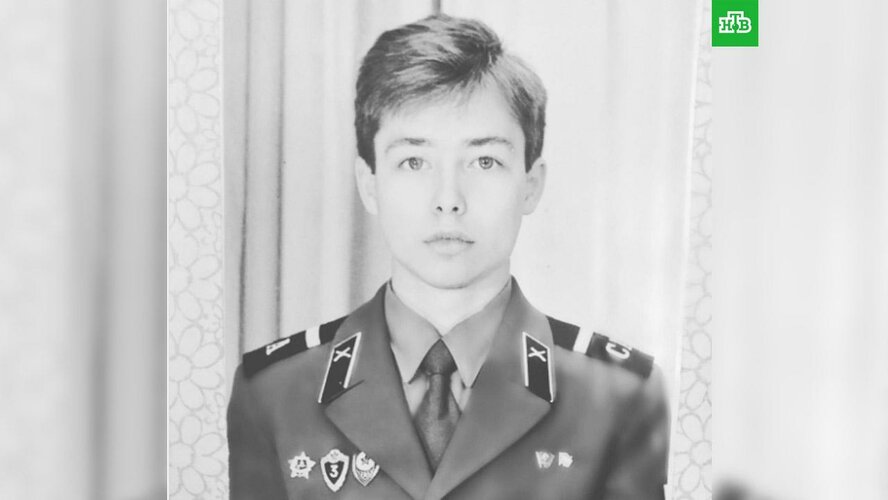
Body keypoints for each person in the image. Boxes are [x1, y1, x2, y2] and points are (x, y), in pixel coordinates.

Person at [228, 14, 670, 500]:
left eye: (485, 161)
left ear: (531, 184)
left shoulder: (618, 398)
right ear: (369, 184)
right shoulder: (275, 391)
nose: (448, 200)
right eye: (414, 161)